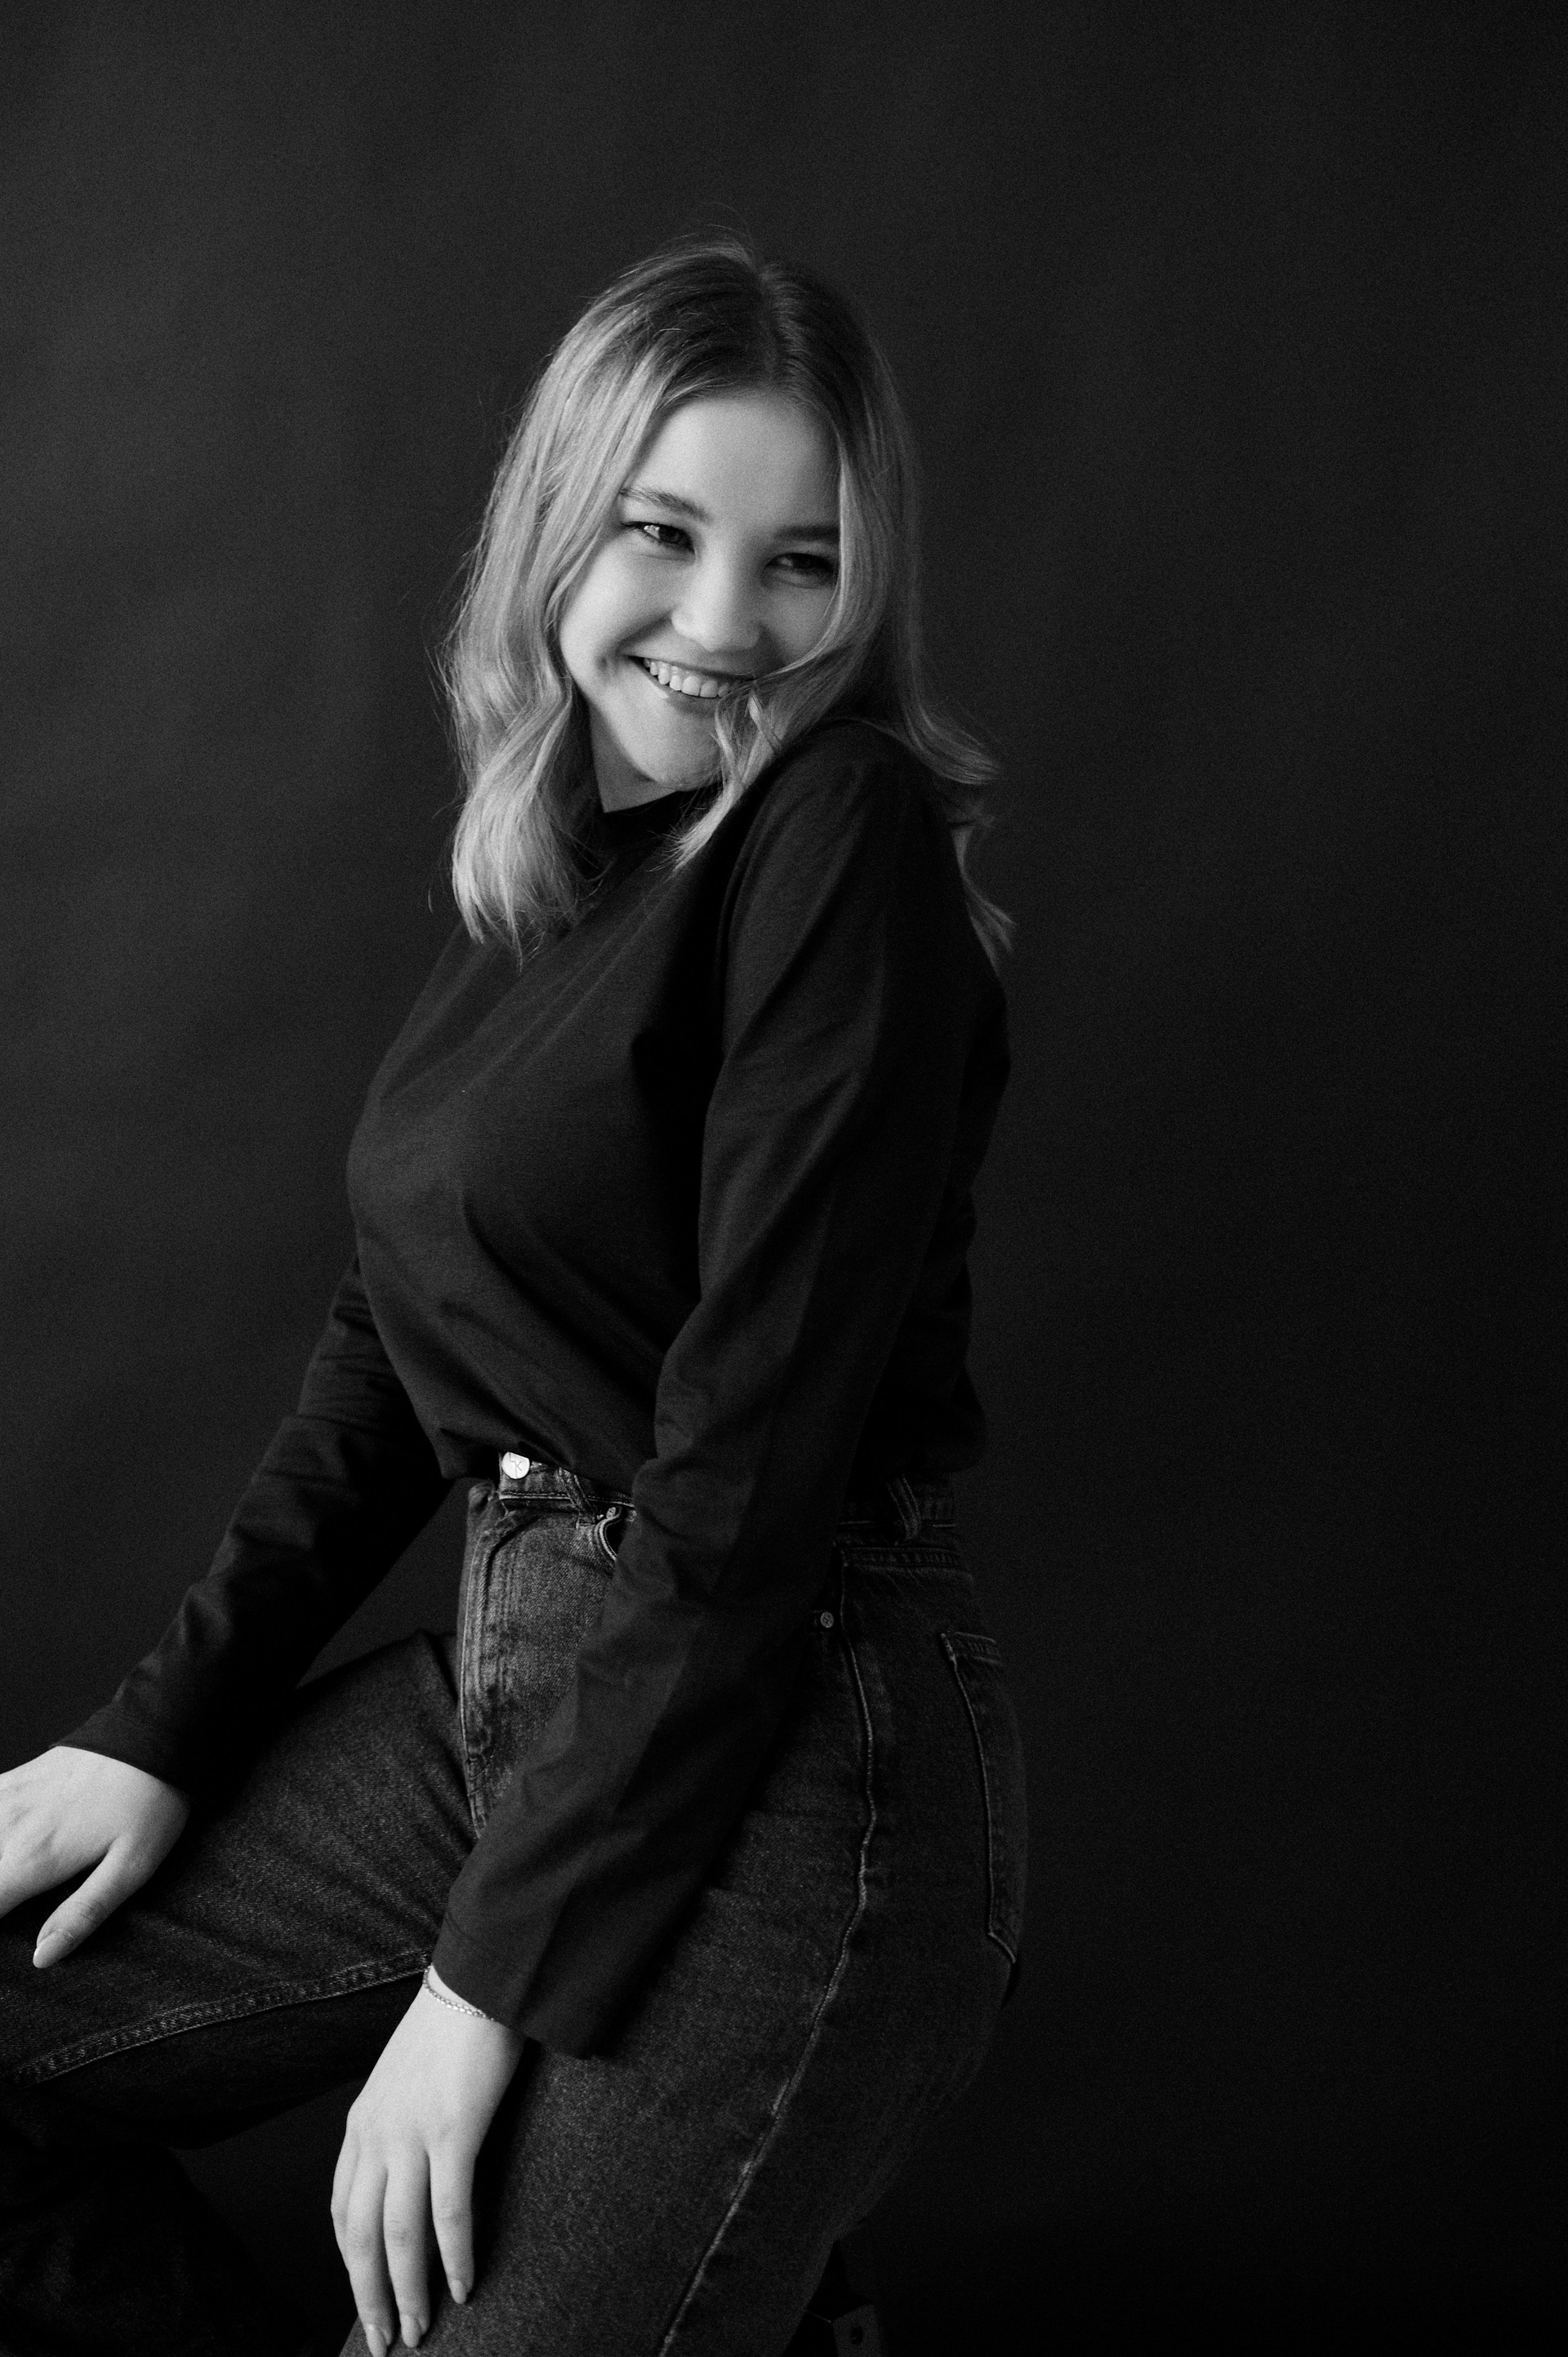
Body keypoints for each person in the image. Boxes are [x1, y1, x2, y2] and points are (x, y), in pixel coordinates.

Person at [0, 236, 1027, 2357]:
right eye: (663, 531)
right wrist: (159, 1731)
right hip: (511, 1702)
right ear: (557, 522)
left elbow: (749, 1479)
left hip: (782, 1748)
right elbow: (393, 1347)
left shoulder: (835, 832)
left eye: (803, 562)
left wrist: (485, 1989)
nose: (724, 622)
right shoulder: (563, 871)